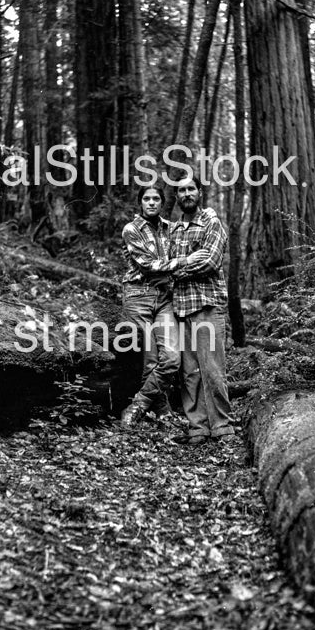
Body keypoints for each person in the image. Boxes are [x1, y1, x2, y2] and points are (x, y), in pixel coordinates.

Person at [170, 174, 235, 445]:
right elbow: (161, 262)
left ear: (200, 192)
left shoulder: (212, 222)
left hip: (207, 304)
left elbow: (209, 261)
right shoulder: (174, 229)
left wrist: (176, 267)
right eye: (181, 190)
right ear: (176, 196)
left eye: (191, 189)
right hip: (182, 308)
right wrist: (180, 263)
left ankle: (223, 427)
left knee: (212, 369)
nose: (186, 194)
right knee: (190, 373)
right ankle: (198, 427)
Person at [119, 184, 181, 426]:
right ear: (141, 202)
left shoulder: (171, 229)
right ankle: (163, 410)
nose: (152, 202)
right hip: (137, 296)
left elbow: (166, 262)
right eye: (147, 198)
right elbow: (148, 265)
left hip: (164, 297)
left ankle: (139, 404)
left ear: (162, 202)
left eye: (156, 198)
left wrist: (172, 263)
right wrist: (180, 262)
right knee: (151, 358)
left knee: (172, 358)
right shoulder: (131, 229)